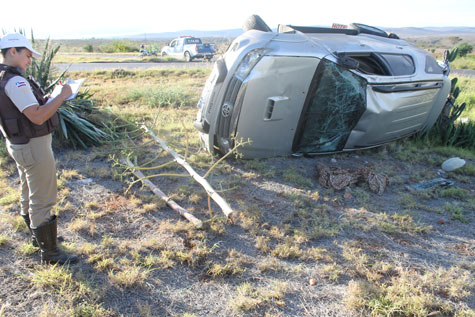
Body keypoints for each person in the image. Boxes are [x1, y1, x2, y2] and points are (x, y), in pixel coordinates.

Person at [0, 33, 78, 265]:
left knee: (29, 190)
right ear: (12, 51)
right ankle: (51, 253)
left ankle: (39, 238)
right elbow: (36, 116)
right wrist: (63, 96)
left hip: (20, 144)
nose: (30, 60)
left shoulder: (5, 77)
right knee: (43, 196)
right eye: (27, 54)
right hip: (33, 146)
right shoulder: (16, 81)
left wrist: (51, 97)